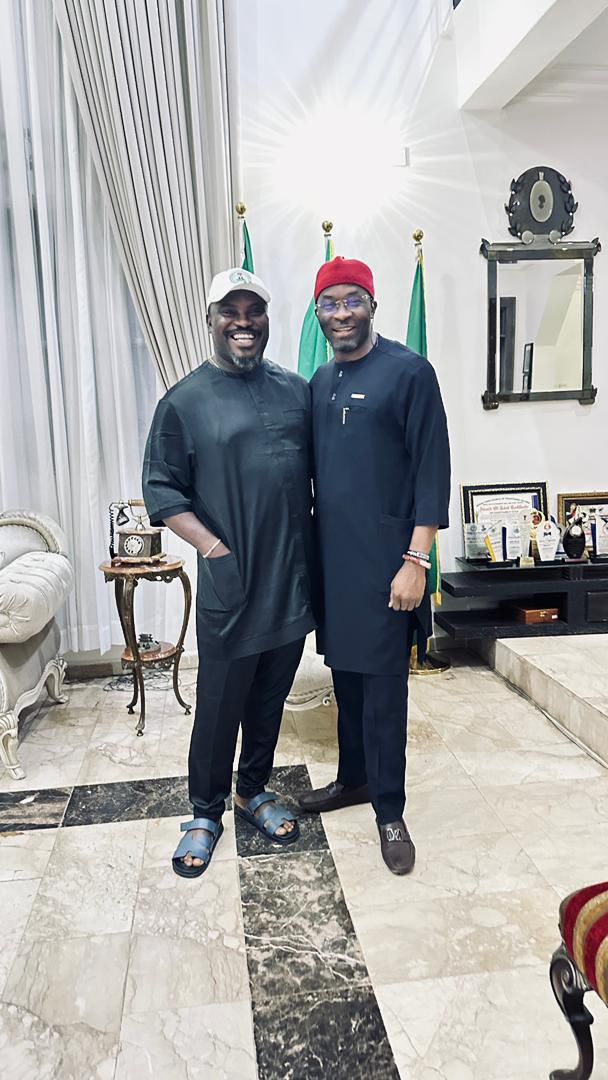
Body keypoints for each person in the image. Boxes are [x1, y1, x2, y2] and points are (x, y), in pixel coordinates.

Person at [143, 267, 315, 878]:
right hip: (232, 585)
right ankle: (204, 810)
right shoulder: (184, 402)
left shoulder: (296, 390)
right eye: (230, 312)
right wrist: (215, 550)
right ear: (211, 320)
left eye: (253, 311)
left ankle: (253, 790)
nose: (243, 322)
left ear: (266, 319)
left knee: (270, 697)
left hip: (290, 581)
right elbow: (163, 492)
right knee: (219, 705)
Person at [298, 256, 450, 875]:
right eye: (329, 303)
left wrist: (417, 559)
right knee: (346, 681)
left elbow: (432, 471)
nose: (341, 313)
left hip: (391, 565)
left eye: (351, 300)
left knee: (384, 692)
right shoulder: (319, 382)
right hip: (336, 565)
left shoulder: (409, 372)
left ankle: (390, 809)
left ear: (372, 305)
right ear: (317, 313)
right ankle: (353, 779)